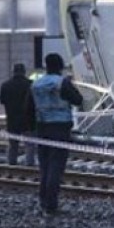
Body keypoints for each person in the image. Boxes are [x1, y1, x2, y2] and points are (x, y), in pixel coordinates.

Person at [32, 53, 83, 215]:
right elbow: (78, 100)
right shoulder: (62, 82)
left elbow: (28, 106)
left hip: (42, 127)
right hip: (60, 128)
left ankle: (42, 200)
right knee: (56, 165)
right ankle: (51, 203)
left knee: (44, 165)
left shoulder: (36, 84)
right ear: (60, 66)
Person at [0, 63, 37, 166]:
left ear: (13, 72)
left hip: (12, 118)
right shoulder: (30, 84)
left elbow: (2, 100)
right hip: (28, 119)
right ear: (24, 72)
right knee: (29, 144)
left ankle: (11, 164)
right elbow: (35, 102)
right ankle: (29, 164)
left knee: (13, 144)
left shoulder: (5, 85)